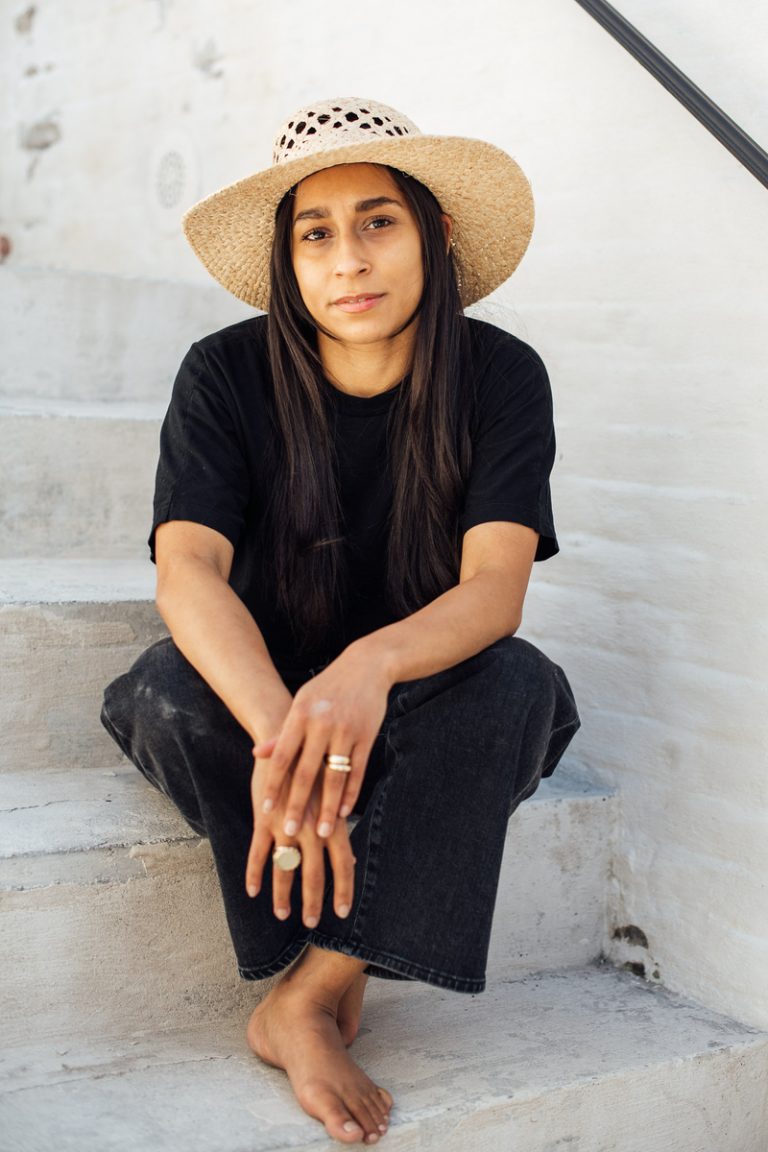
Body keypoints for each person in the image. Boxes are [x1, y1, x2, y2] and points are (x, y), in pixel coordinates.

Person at [100, 96, 581, 1146]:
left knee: (523, 690)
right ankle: (330, 953)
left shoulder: (501, 376)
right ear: (287, 257)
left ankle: (311, 989)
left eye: (378, 222)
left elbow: (494, 590)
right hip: (257, 692)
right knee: (165, 698)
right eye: (315, 233)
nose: (347, 260)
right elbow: (186, 572)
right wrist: (287, 734)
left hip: (416, 686)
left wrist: (367, 669)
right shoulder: (223, 373)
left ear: (434, 235)